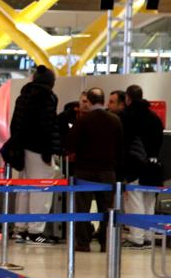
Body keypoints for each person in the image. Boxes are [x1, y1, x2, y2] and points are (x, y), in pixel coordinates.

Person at [7, 65, 61, 245]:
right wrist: (48, 151)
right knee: (41, 189)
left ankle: (20, 229)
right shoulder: (47, 97)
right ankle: (35, 231)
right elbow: (46, 126)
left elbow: (15, 123)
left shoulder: (23, 96)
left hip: (22, 148)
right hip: (39, 149)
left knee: (24, 188)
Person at [66, 88, 123, 253]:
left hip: (84, 170)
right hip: (107, 171)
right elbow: (120, 149)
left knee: (82, 208)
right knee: (106, 208)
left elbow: (70, 145)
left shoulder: (83, 121)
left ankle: (83, 243)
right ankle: (106, 242)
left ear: (89, 102)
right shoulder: (115, 121)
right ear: (104, 101)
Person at [119, 84, 165, 248]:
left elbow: (124, 143)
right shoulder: (154, 118)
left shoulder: (127, 116)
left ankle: (136, 237)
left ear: (128, 98)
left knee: (135, 200)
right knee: (148, 201)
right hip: (153, 165)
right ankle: (148, 236)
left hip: (135, 165)